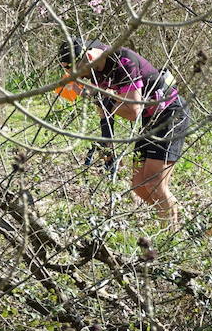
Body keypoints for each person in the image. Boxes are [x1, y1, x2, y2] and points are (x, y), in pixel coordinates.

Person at [58, 37, 190, 227]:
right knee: (139, 185)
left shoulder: (123, 61)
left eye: (77, 72)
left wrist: (96, 96)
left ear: (88, 58)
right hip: (150, 120)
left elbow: (132, 111)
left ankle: (171, 231)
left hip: (170, 114)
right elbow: (104, 110)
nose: (79, 78)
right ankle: (179, 220)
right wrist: (108, 147)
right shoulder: (94, 70)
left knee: (154, 183)